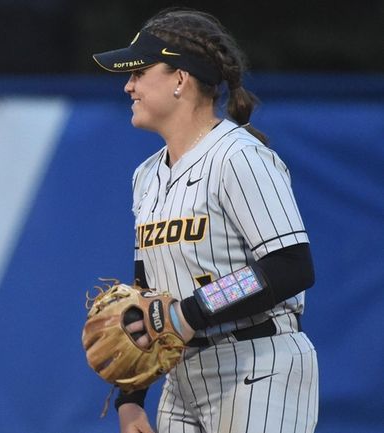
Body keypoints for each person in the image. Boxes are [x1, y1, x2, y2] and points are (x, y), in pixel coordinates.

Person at [92, 8, 317, 433]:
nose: (128, 84)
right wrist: (131, 397)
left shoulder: (240, 157)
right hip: (181, 373)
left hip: (259, 364)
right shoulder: (146, 175)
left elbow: (290, 266)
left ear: (180, 79)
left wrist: (189, 312)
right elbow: (147, 292)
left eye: (139, 71)